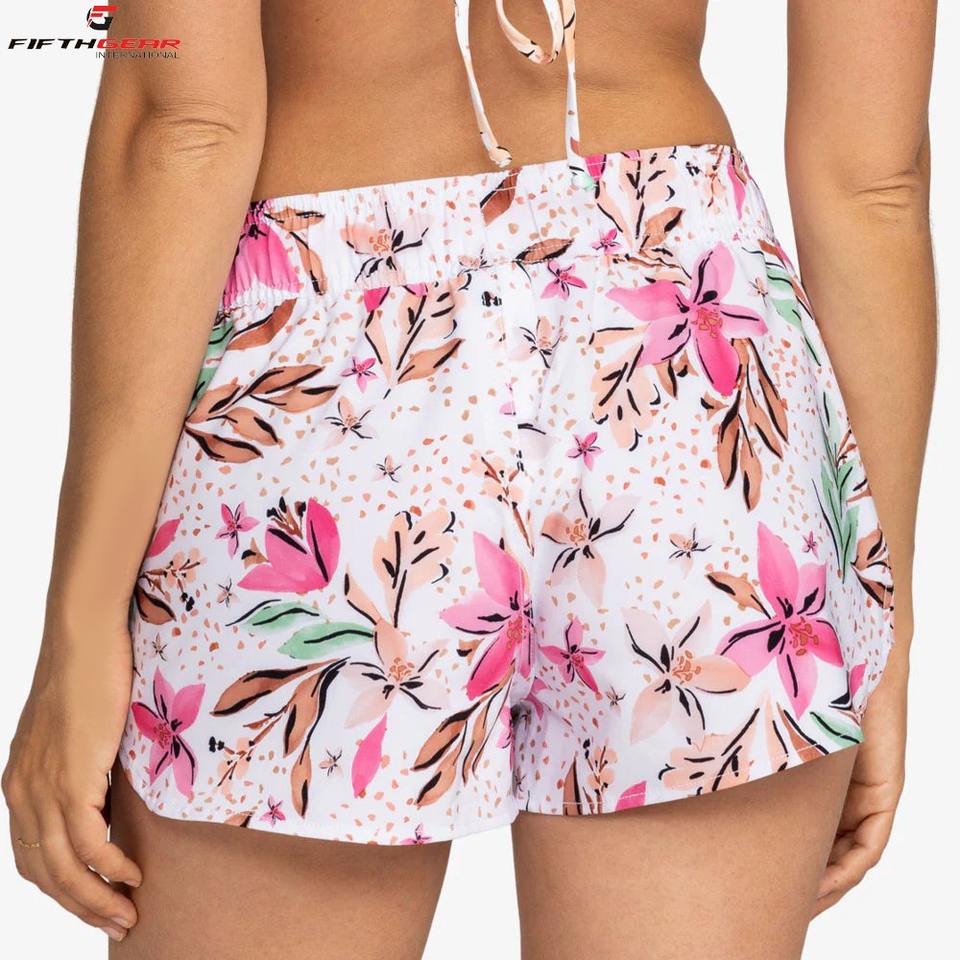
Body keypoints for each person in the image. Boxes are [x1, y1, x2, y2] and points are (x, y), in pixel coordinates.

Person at [2, 2, 937, 957]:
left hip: (337, 371)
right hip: (691, 353)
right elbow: (875, 183)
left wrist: (80, 626)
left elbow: (184, 127)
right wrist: (886, 632)